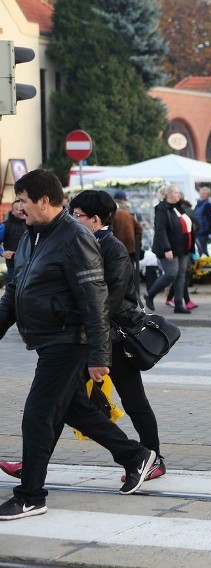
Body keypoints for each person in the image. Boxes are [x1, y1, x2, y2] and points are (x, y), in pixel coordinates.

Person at [0, 170, 156, 521]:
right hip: (47, 340)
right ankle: (135, 456)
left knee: (39, 413)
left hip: (69, 340)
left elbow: (95, 299)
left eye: (23, 200)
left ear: (43, 201)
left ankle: (30, 496)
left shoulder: (74, 238)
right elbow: (14, 292)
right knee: (73, 409)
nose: (18, 207)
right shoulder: (31, 237)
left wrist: (100, 354)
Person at [144, 185, 194, 314]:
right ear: (168, 194)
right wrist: (167, 248)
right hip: (169, 248)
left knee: (181, 275)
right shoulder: (162, 209)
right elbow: (160, 230)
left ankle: (178, 304)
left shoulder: (179, 207)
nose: (179, 195)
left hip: (182, 247)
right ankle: (150, 294)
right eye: (176, 193)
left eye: (179, 192)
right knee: (171, 273)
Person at [165, 196, 200, 310]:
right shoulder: (179, 210)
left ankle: (173, 299)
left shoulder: (181, 210)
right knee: (181, 274)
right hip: (184, 245)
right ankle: (184, 301)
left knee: (180, 274)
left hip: (183, 245)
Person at [2, 201, 26, 277]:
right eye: (18, 209)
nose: (22, 211)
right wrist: (2, 252)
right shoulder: (5, 226)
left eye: (23, 209)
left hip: (32, 269)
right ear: (12, 212)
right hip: (14, 269)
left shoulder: (33, 224)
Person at [194, 186, 211, 256]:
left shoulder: (208, 205)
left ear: (208, 195)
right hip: (198, 231)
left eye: (204, 194)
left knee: (203, 250)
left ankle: (206, 264)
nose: (202, 195)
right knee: (200, 250)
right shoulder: (198, 204)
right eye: (201, 193)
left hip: (204, 232)